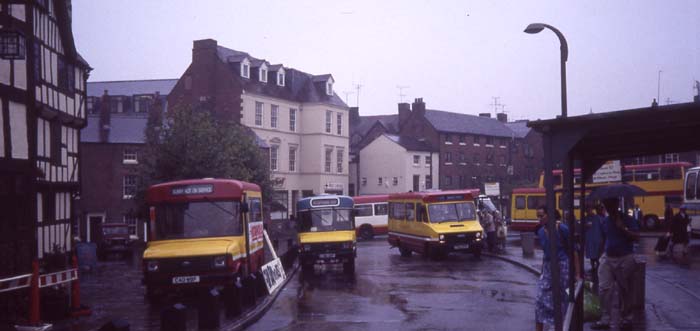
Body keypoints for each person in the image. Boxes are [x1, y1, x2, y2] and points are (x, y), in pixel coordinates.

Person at [592, 197, 640, 330]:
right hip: (608, 257)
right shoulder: (606, 221)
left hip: (625, 257)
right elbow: (604, 238)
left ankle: (627, 317)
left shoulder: (628, 219)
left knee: (625, 289)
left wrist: (623, 228)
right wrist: (599, 255)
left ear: (616, 204)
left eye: (610, 205)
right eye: (606, 205)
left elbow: (636, 237)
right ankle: (605, 317)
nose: (608, 208)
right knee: (603, 289)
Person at [534, 205, 580, 331]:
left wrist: (577, 273)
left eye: (541, 216)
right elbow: (545, 253)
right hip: (548, 268)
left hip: (563, 266)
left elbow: (574, 251)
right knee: (540, 300)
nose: (539, 219)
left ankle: (560, 327)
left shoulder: (562, 229)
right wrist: (543, 271)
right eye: (538, 216)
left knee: (562, 300)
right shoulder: (540, 232)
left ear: (550, 215)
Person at [584, 204, 604, 293]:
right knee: (591, 254)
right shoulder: (585, 218)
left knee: (597, 254)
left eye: (590, 209)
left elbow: (602, 226)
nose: (588, 211)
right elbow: (582, 228)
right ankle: (593, 267)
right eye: (587, 210)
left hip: (597, 238)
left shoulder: (597, 218)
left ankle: (597, 266)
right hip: (589, 238)